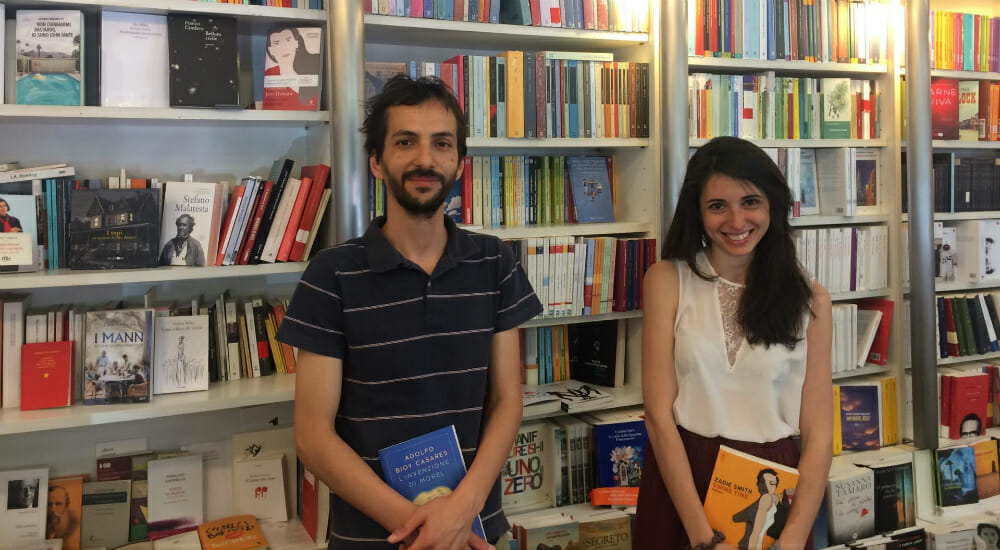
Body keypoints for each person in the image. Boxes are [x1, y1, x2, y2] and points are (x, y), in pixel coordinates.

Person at [276, 74, 541, 550]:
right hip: (373, 536)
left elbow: (507, 401)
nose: (425, 159)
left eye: (442, 143)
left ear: (459, 162)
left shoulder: (495, 262)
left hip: (474, 529)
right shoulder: (331, 275)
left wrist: (460, 511)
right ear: (377, 162)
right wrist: (424, 527)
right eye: (405, 142)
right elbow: (313, 437)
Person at [634, 136, 833, 550]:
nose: (736, 220)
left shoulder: (810, 299)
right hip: (682, 481)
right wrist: (703, 538)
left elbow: (818, 436)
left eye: (750, 202)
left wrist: (792, 539)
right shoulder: (666, 281)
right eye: (717, 206)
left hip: (773, 480)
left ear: (772, 205)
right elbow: (658, 416)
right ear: (698, 212)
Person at [263, 25, 321, 110]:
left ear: (296, 43)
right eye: (277, 43)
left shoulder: (312, 69)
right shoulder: (270, 73)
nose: (284, 48)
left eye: (288, 40)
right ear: (271, 50)